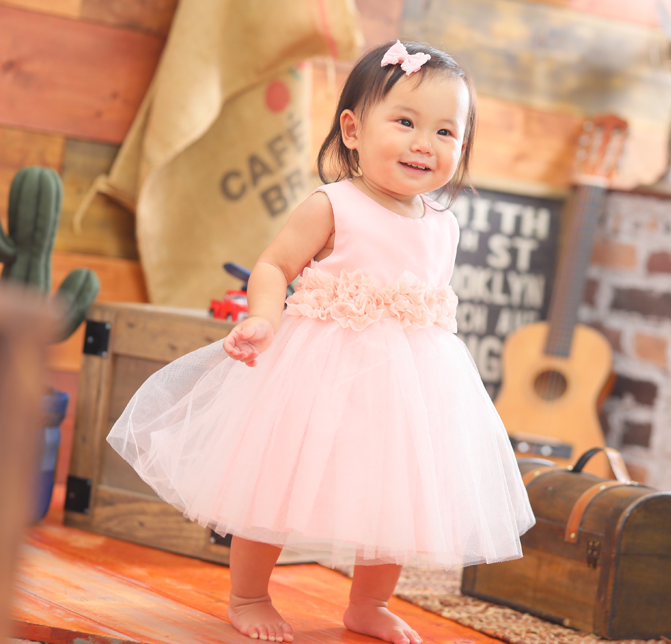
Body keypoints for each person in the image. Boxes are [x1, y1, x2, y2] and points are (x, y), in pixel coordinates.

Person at [107, 40, 535, 644]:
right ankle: (249, 594)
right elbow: (273, 266)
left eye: (446, 132)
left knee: (397, 492)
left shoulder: (444, 226)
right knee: (275, 479)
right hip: (321, 372)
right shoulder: (333, 204)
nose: (424, 143)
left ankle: (368, 604)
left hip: (408, 387)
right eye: (406, 122)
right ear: (353, 130)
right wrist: (263, 319)